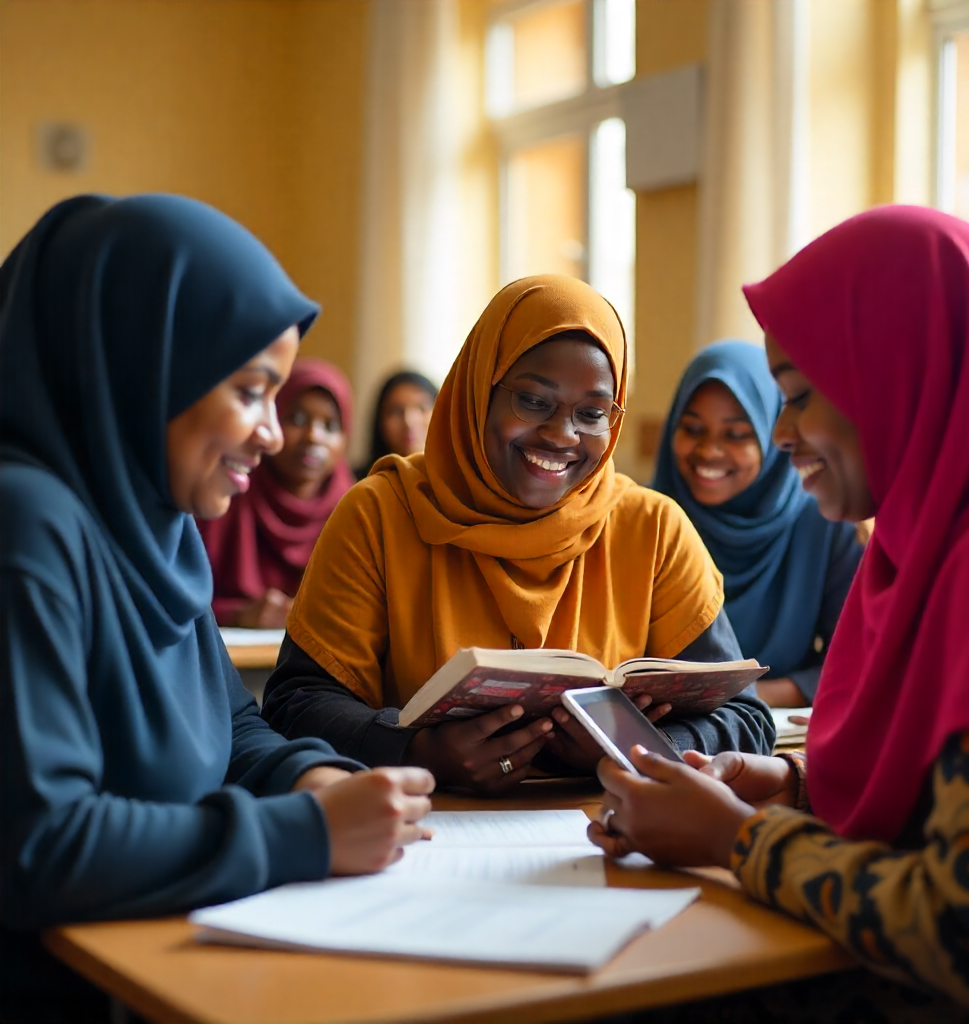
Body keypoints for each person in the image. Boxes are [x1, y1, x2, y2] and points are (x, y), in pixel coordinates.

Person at [0, 195, 433, 1023]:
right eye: (250, 390)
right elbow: (40, 844)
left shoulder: (157, 523)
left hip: (164, 965)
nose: (273, 435)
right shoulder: (27, 523)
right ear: (140, 367)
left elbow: (229, 728)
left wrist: (310, 776)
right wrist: (303, 834)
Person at [588, 207, 969, 1018]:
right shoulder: (913, 545)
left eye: (796, 397)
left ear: (900, 376)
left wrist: (734, 839)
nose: (780, 436)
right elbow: (946, 799)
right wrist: (789, 786)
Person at [262, 275, 774, 794]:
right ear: (479, 389)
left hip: (605, 843)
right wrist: (413, 751)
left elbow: (747, 721)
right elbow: (295, 704)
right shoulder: (379, 515)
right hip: (420, 839)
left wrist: (635, 748)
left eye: (592, 413)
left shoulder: (653, 529)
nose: (561, 435)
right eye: (533, 400)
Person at [651, 340, 862, 707]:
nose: (708, 452)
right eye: (692, 428)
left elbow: (854, 660)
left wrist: (742, 699)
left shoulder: (825, 522)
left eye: (735, 435)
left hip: (779, 740)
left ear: (771, 433)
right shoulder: (648, 520)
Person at [198, 357, 355, 628]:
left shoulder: (355, 509)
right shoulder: (229, 493)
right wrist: (239, 615)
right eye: (297, 419)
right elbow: (179, 598)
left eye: (329, 426)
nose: (313, 437)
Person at [355, 369, 437, 479]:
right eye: (396, 411)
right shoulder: (358, 485)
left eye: (421, 408)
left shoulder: (456, 483)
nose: (409, 421)